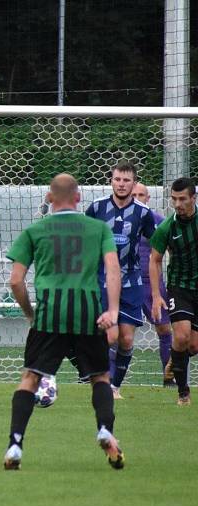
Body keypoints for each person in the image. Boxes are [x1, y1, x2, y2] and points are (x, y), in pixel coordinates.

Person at [3, 173, 123, 470]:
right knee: (100, 378)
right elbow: (113, 269)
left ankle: (15, 445)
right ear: (78, 198)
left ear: (49, 198)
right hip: (87, 313)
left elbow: (16, 281)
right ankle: (105, 429)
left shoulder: (35, 230)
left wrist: (31, 312)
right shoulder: (98, 229)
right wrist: (113, 311)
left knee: (30, 379)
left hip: (49, 314)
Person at [85, 162, 156, 399]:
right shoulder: (96, 208)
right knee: (108, 336)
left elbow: (157, 244)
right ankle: (103, 383)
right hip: (102, 280)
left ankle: (115, 386)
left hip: (131, 283)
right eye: (117, 179)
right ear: (111, 181)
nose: (122, 184)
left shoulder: (143, 213)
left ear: (134, 183)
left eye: (127, 180)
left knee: (125, 339)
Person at [149, 177, 198, 406]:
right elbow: (155, 260)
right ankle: (183, 394)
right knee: (181, 336)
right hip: (179, 288)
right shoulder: (167, 227)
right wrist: (157, 296)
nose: (177, 204)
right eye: (174, 199)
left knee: (193, 346)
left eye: (183, 199)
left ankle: (174, 359)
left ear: (193, 198)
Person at [130, 182, 174, 386]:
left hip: (151, 283)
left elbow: (172, 248)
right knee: (117, 332)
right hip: (126, 281)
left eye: (142, 194)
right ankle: (108, 380)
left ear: (148, 198)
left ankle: (169, 377)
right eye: (134, 194)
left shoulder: (158, 221)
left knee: (165, 329)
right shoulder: (121, 220)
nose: (138, 197)